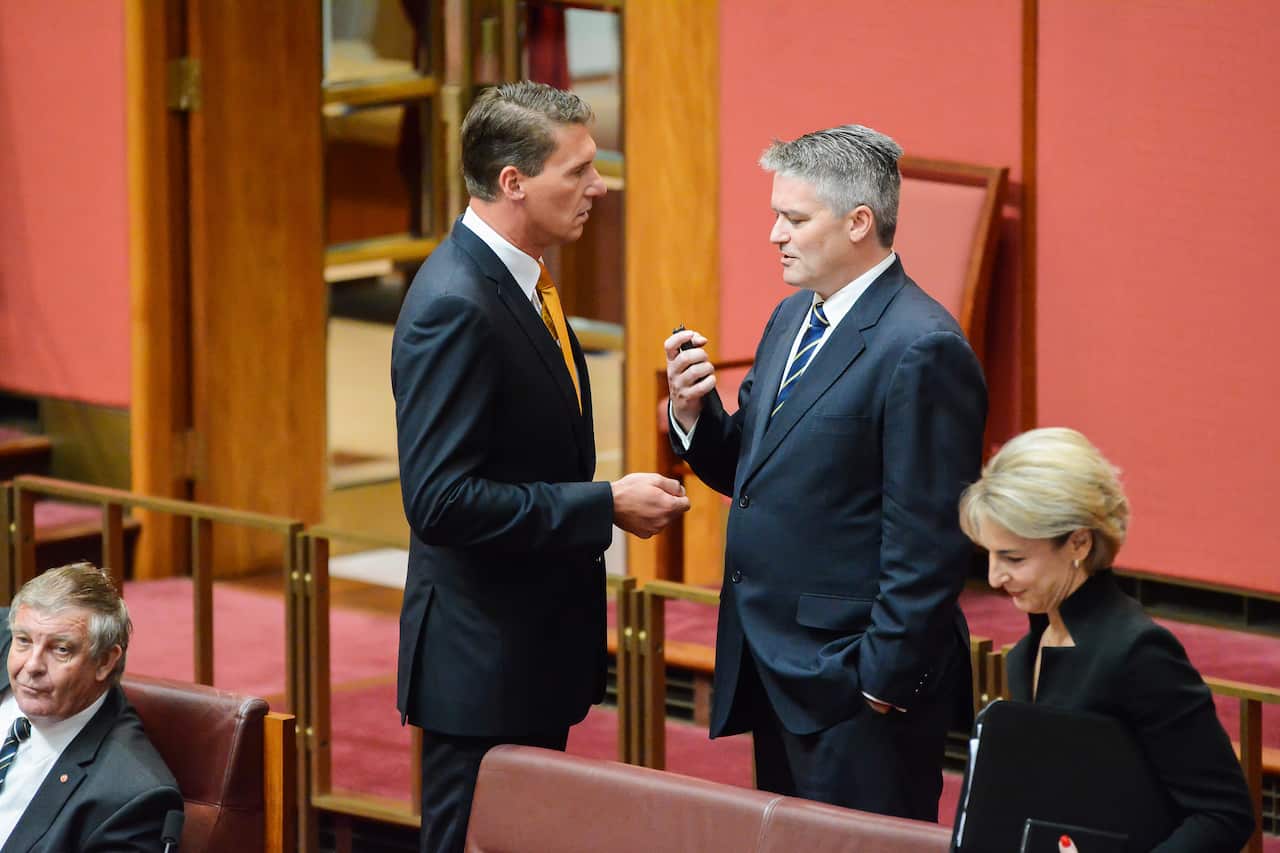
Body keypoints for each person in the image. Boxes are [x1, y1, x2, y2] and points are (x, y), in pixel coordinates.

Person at [392, 80, 690, 853]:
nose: (600, 185)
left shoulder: (521, 279)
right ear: (513, 182)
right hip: (479, 664)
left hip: (525, 649)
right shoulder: (456, 302)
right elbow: (442, 501)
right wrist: (605, 504)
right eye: (579, 170)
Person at [665, 124, 987, 819]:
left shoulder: (923, 347)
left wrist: (881, 682)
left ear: (858, 223)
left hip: (853, 688)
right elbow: (756, 472)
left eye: (795, 218)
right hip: (777, 670)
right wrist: (694, 416)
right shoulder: (791, 318)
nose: (775, 234)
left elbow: (928, 542)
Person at [959, 427, 1255, 851]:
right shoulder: (1031, 648)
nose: (993, 577)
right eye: (988, 555)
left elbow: (1223, 814)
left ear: (1079, 542)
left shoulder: (1137, 653)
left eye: (1013, 558)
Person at [0, 562, 182, 852]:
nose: (31, 666)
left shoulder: (128, 798)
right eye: (23, 641)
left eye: (61, 649)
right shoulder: (6, 639)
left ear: (105, 661)